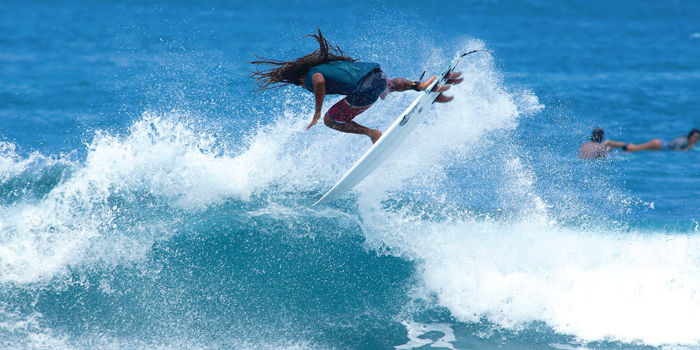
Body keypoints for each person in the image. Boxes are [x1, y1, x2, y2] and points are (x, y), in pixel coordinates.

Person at [250, 29, 463, 143]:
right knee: (387, 85)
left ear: (297, 78)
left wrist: (317, 112)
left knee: (329, 120)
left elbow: (318, 82)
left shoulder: (311, 76)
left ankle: (372, 134)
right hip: (378, 76)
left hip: (365, 90)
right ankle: (421, 85)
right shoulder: (329, 64)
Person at [604, 128, 700, 152]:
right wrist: (688, 148)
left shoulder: (684, 139)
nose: (696, 140)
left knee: (635, 148)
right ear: (690, 136)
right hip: (659, 145)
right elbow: (676, 151)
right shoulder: (684, 141)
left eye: (698, 138)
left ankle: (612, 146)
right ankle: (610, 143)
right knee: (634, 149)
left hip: (660, 144)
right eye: (695, 137)